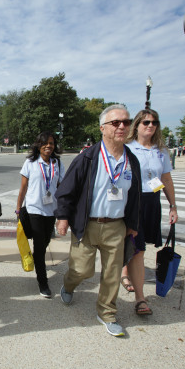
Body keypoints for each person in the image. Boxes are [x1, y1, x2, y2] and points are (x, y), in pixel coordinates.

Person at [55, 104, 141, 337]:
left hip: (116, 226)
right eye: (116, 123)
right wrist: (62, 218)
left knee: (112, 274)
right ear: (102, 128)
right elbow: (66, 190)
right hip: (87, 225)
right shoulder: (88, 158)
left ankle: (107, 313)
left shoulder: (131, 160)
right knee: (82, 270)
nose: (122, 126)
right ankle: (69, 283)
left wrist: (133, 225)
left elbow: (135, 195)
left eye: (126, 121)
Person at [122, 109, 178, 315]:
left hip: (152, 202)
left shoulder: (161, 151)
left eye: (154, 122)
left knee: (138, 246)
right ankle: (140, 297)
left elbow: (166, 180)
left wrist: (173, 206)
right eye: (146, 122)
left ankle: (125, 272)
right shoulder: (127, 148)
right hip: (132, 203)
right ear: (136, 125)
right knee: (138, 249)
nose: (150, 125)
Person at [15, 131, 65, 298]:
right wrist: (18, 208)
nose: (48, 146)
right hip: (33, 209)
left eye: (51, 143)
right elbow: (23, 188)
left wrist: (64, 211)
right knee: (40, 246)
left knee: (44, 243)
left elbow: (61, 187)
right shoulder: (30, 163)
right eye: (45, 143)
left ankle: (37, 260)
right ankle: (43, 282)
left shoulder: (57, 163)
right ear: (38, 145)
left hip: (51, 211)